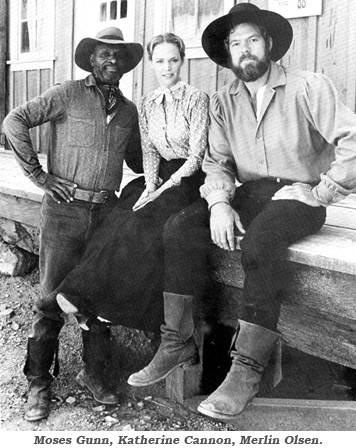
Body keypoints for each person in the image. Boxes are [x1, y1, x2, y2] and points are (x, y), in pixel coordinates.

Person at [128, 2, 356, 420]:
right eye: (236, 43)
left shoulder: (309, 86)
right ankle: (177, 340)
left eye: (253, 39)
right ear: (227, 53)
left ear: (269, 44)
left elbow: (353, 140)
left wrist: (323, 192)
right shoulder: (224, 100)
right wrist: (217, 203)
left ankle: (247, 372)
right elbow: (217, 163)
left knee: (261, 243)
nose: (245, 49)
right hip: (249, 193)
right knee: (179, 227)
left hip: (297, 195)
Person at [3, 27, 144, 422]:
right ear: (91, 59)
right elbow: (16, 121)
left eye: (118, 55)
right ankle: (38, 385)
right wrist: (40, 177)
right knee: (49, 300)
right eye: (104, 54)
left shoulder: (130, 111)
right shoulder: (66, 94)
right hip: (64, 213)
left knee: (98, 297)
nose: (111, 60)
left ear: (126, 63)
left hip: (105, 216)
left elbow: (139, 161)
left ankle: (93, 374)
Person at [50, 33, 209, 374]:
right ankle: (93, 299)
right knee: (119, 212)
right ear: (152, 64)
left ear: (183, 61)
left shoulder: (196, 98)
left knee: (142, 220)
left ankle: (88, 295)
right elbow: (149, 151)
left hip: (189, 179)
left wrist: (164, 188)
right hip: (159, 175)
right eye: (160, 61)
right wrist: (151, 183)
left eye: (173, 60)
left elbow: (196, 156)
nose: (167, 67)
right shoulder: (147, 102)